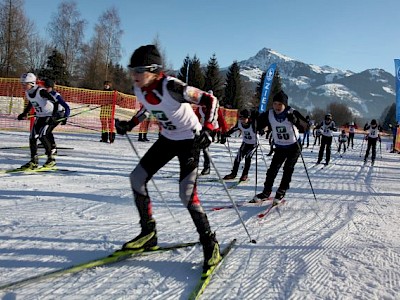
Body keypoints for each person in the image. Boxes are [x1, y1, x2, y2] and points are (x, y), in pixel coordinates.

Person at [114, 45, 221, 275]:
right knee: (136, 178)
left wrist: (209, 128)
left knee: (186, 194)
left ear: (153, 70)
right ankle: (148, 233)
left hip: (190, 140)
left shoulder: (171, 86)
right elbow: (148, 108)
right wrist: (130, 124)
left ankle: (210, 243)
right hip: (168, 138)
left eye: (139, 70)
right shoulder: (140, 87)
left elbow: (210, 100)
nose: (134, 75)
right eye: (132, 69)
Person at [251, 90, 308, 204]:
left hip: (294, 146)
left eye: (280, 104)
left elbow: (305, 127)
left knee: (288, 169)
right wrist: (256, 122)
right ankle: (266, 192)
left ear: (285, 105)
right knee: (272, 170)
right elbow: (257, 126)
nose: (277, 107)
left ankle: (281, 191)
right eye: (275, 104)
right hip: (280, 146)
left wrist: (296, 121)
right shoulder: (270, 114)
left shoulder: (292, 112)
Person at [17, 73, 61, 169]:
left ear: (32, 83)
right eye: (22, 84)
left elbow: (56, 102)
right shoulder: (28, 92)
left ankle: (51, 159)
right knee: (32, 137)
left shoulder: (41, 91)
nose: (23, 86)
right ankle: (34, 161)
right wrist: (24, 113)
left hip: (49, 115)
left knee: (42, 135)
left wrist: (54, 115)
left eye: (25, 84)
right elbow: (31, 103)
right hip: (40, 116)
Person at [195, 91, 229, 175]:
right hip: (202, 128)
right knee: (196, 148)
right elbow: (194, 118)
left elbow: (221, 119)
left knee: (205, 148)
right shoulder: (200, 108)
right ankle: (194, 167)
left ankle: (207, 167)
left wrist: (224, 132)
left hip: (212, 129)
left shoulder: (215, 108)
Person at [221, 109, 257, 182]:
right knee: (238, 158)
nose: (242, 120)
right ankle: (233, 173)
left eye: (244, 118)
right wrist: (226, 134)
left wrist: (261, 130)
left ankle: (245, 174)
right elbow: (234, 129)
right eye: (241, 118)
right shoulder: (240, 123)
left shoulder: (253, 124)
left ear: (248, 118)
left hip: (254, 144)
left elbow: (260, 128)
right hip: (245, 142)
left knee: (248, 157)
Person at [44, 79, 70, 154]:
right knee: (42, 129)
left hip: (58, 115)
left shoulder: (56, 95)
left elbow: (67, 107)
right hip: (49, 114)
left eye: (48, 87)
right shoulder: (44, 94)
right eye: (45, 87)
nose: (46, 88)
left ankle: (53, 147)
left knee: (47, 131)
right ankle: (46, 142)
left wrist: (65, 117)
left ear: (52, 87)